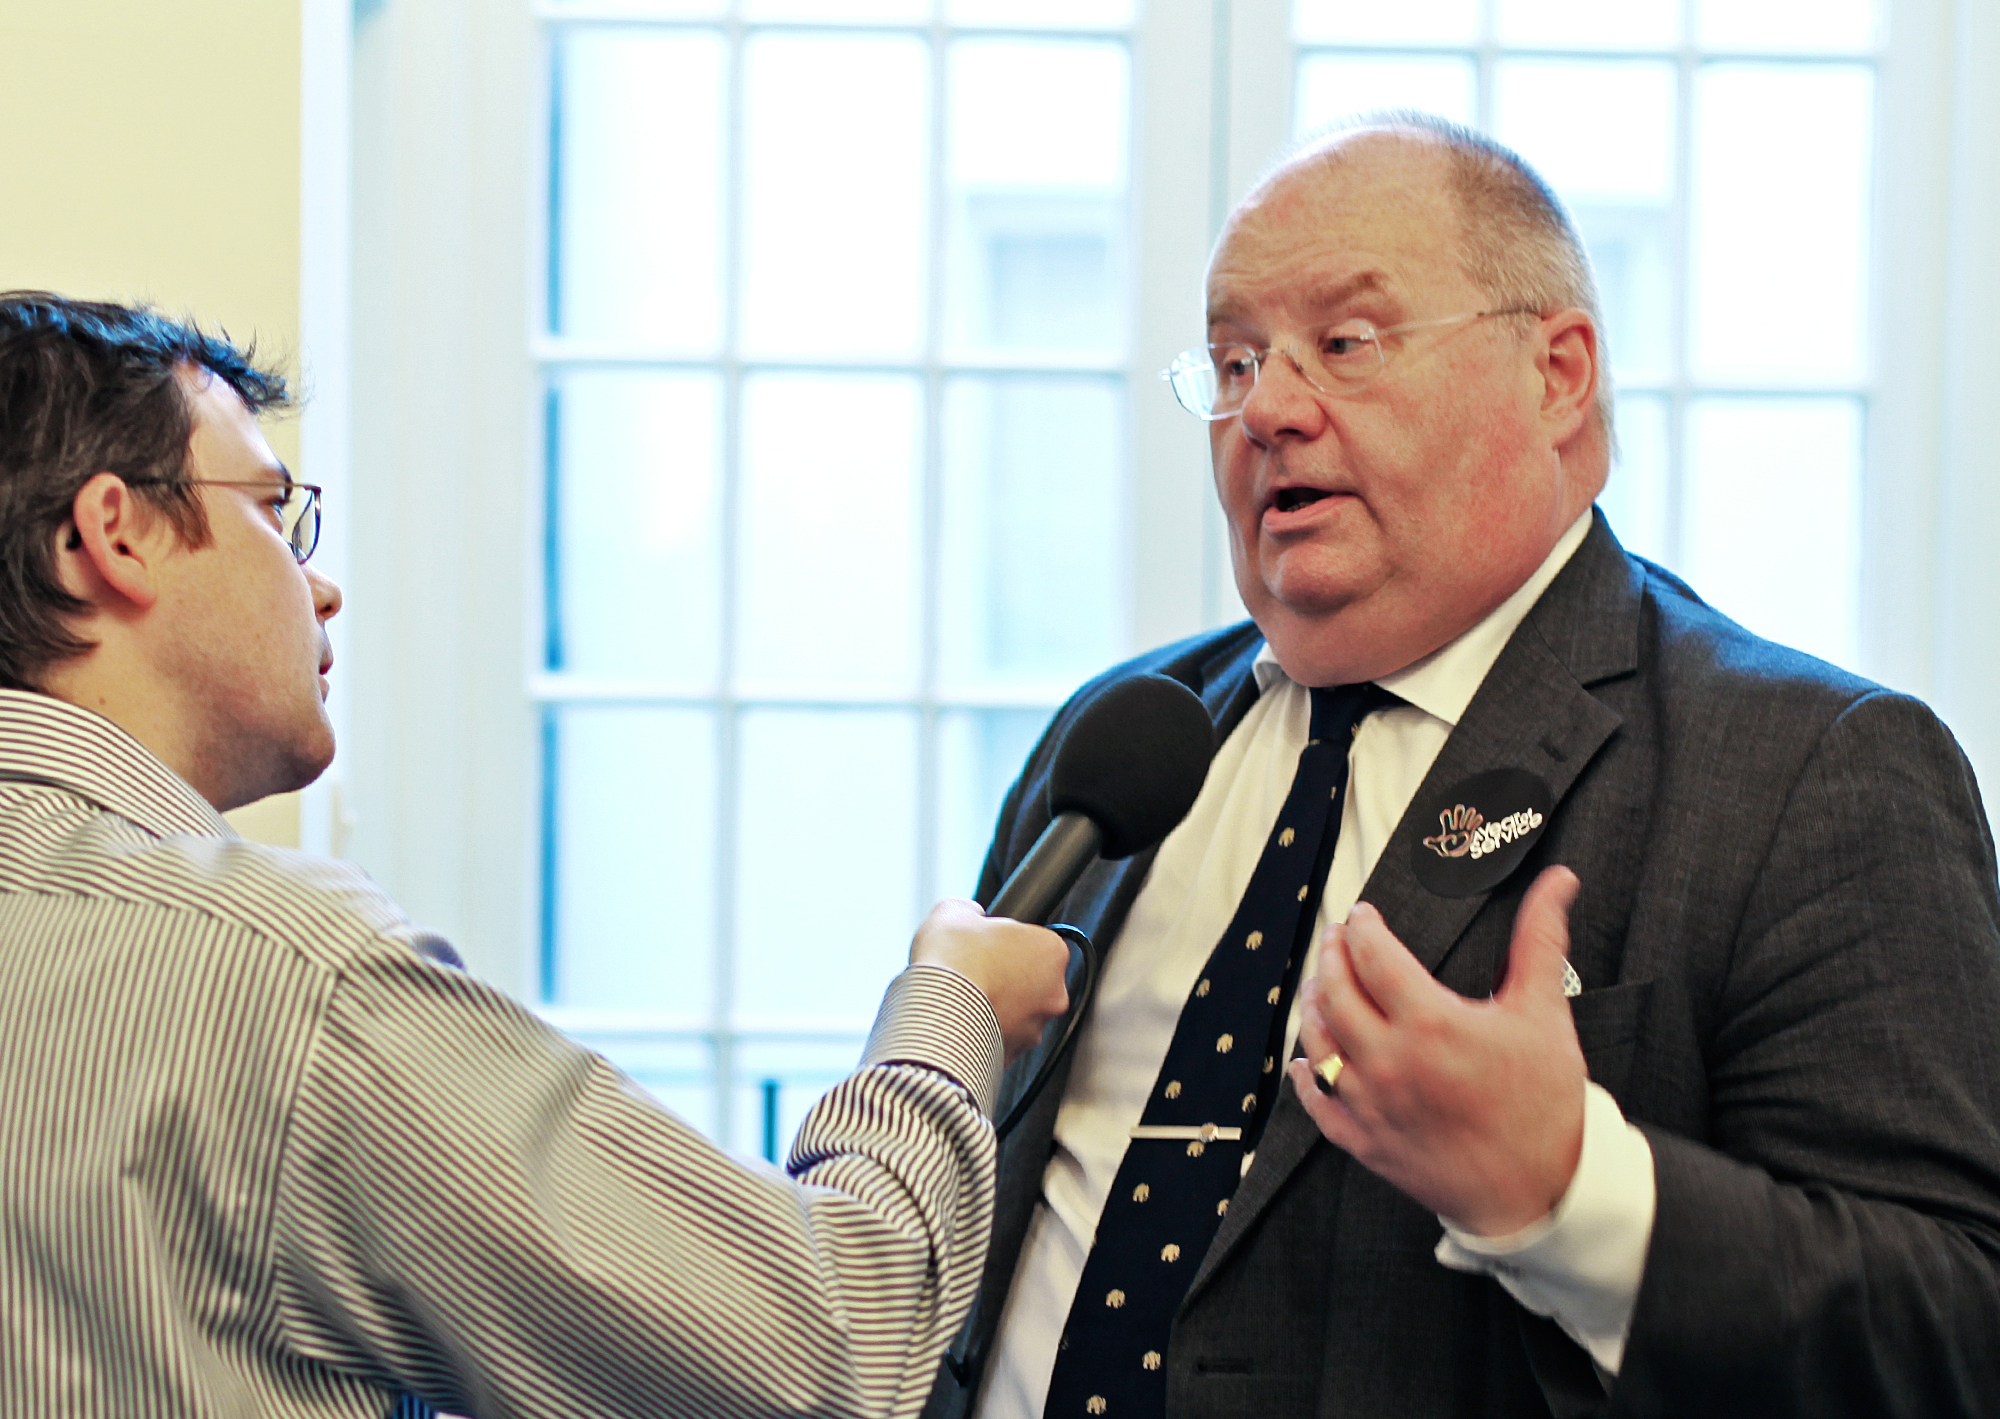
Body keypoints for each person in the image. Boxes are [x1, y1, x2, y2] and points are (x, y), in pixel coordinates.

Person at [925, 115, 2000, 1419]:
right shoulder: (1118, 741)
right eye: (1233, 359)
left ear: (1557, 373)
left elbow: (1955, 1322)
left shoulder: (1814, 770)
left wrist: (1567, 1184)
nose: (1264, 406)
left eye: (1347, 342)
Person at [0, 289, 1073, 1418]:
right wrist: (953, 1010)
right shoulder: (280, 979)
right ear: (111, 534)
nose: (320, 584)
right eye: (277, 513)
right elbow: (824, 1347)